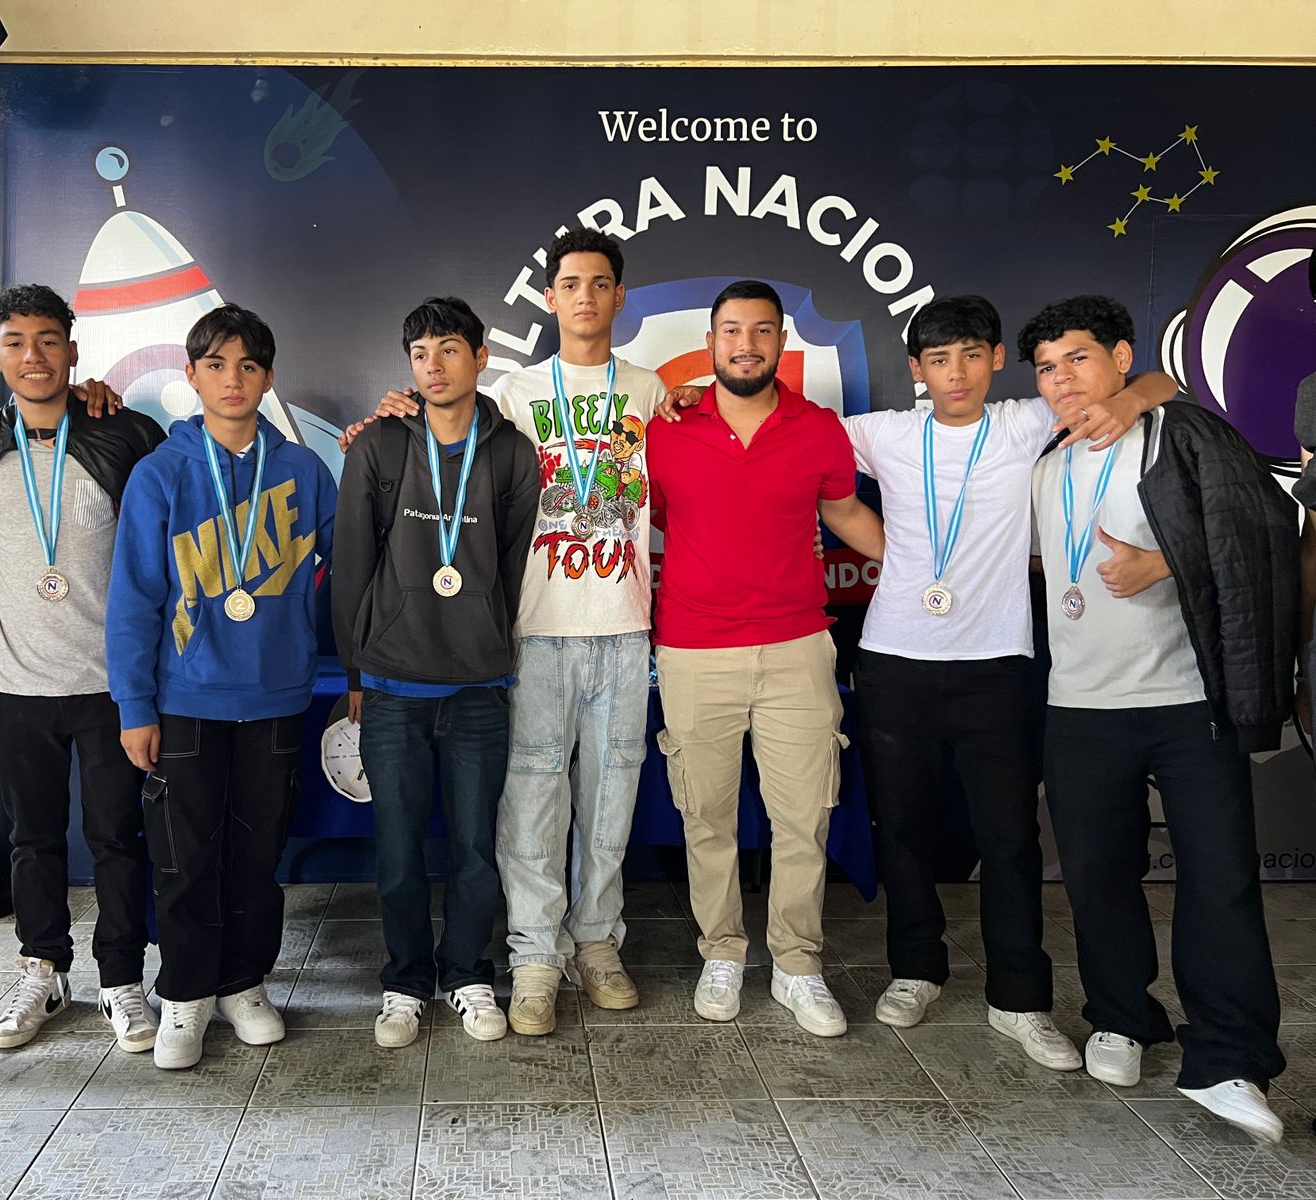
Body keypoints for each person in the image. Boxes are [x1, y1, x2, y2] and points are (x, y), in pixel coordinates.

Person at [337, 230, 666, 1035]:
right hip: (533, 633)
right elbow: (442, 427)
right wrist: (392, 411)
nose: (584, 297)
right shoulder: (512, 393)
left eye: (600, 283)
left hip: (623, 626)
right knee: (529, 813)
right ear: (549, 298)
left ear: (619, 296)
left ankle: (597, 943)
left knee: (610, 805)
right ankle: (534, 957)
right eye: (570, 284)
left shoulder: (653, 389)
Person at [841, 295, 1173, 1068]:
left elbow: (1164, 386)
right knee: (904, 828)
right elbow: (788, 436)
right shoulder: (883, 434)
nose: (955, 373)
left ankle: (1019, 999)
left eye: (970, 354)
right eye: (937, 359)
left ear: (996, 358)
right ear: (916, 369)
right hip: (895, 659)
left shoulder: (1027, 421)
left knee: (1010, 837)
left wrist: (1129, 401)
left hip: (998, 663)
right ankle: (915, 970)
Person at [1026, 294, 1294, 1141]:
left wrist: (1166, 564)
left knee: (1220, 880)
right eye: (1046, 367)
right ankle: (1121, 1016)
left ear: (1120, 357)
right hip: (1079, 706)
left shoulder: (1180, 434)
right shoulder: (1046, 459)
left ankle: (1229, 1059)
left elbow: (1264, 530)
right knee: (1096, 876)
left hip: (1185, 702)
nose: (1062, 379)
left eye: (1078, 358)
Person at [649, 279, 883, 1033]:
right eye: (731, 330)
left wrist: (926, 572)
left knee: (803, 818)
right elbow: (637, 517)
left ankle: (797, 963)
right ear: (711, 342)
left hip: (796, 648)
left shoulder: (818, 429)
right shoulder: (664, 429)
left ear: (781, 341)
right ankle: (722, 952)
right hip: (693, 650)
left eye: (760, 331)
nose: (745, 344)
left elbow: (843, 511)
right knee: (705, 816)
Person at [106, 304, 335, 1069]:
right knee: (184, 857)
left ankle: (243, 982)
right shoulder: (160, 473)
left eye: (247, 366)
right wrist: (135, 706)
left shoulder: (303, 471)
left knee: (257, 852)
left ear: (268, 378)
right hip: (186, 701)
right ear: (192, 376)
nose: (232, 380)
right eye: (215, 365)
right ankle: (186, 993)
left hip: (276, 696)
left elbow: (351, 569)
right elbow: (134, 599)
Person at [0, 285, 165, 1052]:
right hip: (14, 681)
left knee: (117, 838)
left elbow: (162, 552)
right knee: (32, 839)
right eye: (15, 341)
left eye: (47, 340)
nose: (32, 356)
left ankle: (122, 980)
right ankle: (42, 969)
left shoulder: (124, 433)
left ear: (72, 349)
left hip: (110, 683)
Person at [332, 297, 539, 1049]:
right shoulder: (379, 445)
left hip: (479, 686)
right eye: (419, 353)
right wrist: (356, 670)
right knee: (398, 848)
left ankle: (468, 974)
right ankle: (405, 981)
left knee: (476, 847)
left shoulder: (512, 453)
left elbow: (513, 565)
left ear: (481, 357)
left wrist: (487, 637)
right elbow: (352, 562)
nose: (433, 366)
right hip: (393, 685)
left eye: (449, 349)